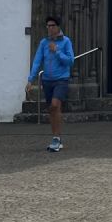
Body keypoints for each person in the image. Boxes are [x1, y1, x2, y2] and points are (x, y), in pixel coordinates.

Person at [28, 15, 74, 152]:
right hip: (47, 80)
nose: (50, 28)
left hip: (61, 79)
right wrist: (31, 80)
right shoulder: (43, 43)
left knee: (55, 105)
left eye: (52, 25)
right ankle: (56, 137)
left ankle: (56, 138)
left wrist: (57, 51)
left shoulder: (66, 41)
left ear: (58, 27)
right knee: (53, 109)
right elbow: (37, 61)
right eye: (48, 26)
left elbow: (70, 61)